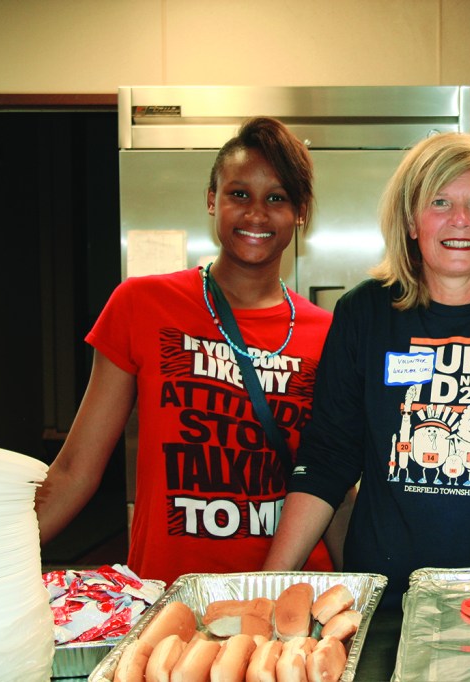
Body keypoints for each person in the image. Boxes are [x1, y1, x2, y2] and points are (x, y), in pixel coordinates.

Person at [263, 131, 470, 608]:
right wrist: (265, 586)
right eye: (439, 202)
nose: (460, 220)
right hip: (392, 598)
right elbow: (327, 460)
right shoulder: (364, 312)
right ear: (410, 219)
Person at [36, 117, 353, 586]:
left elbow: (337, 488)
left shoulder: (330, 332)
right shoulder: (141, 305)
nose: (256, 214)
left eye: (277, 198)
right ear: (212, 200)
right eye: (239, 194)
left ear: (300, 211)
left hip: (289, 597)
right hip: (168, 596)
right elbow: (74, 470)